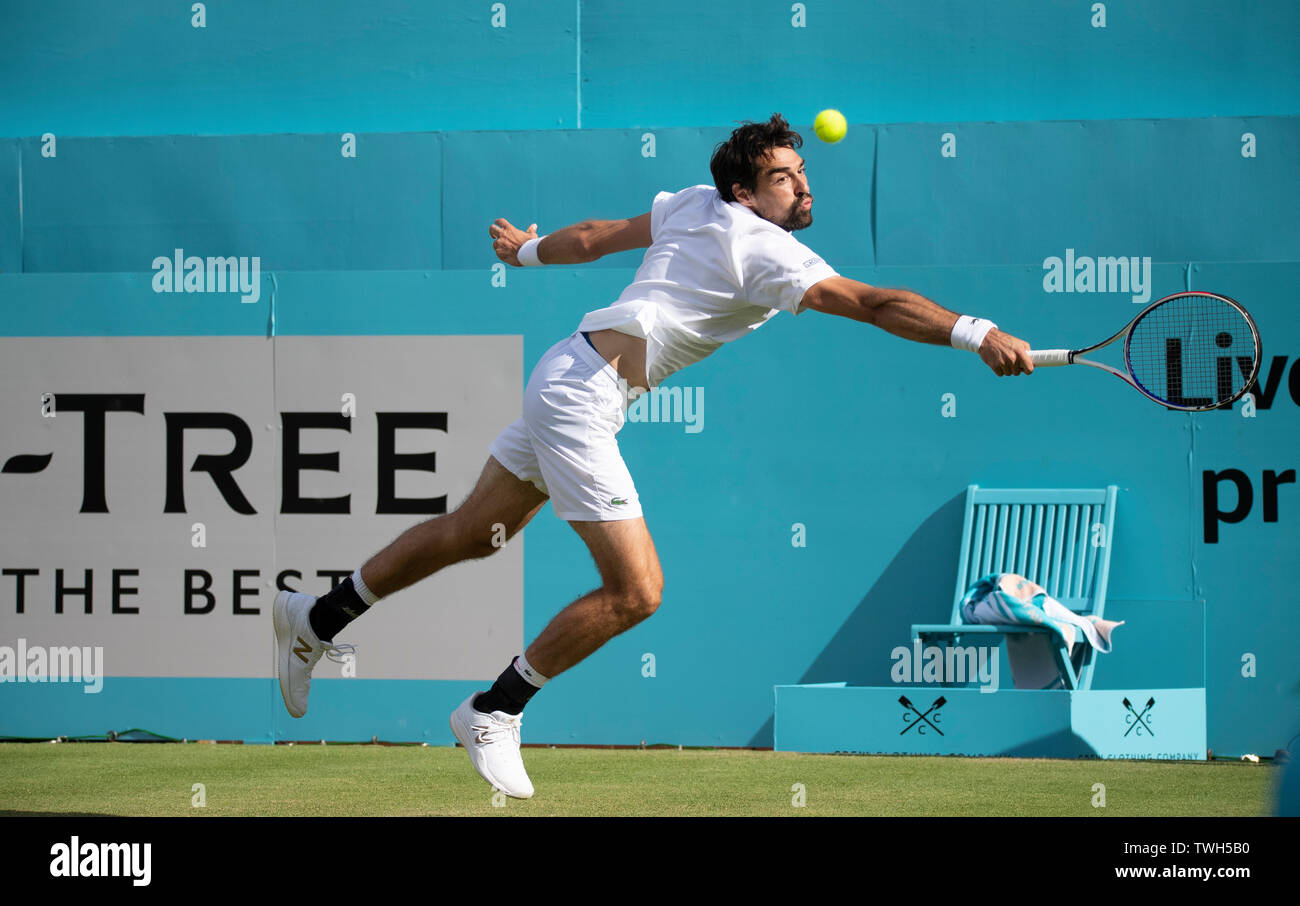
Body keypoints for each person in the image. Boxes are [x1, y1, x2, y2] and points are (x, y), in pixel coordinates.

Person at [272, 113, 1035, 799]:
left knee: (473, 531)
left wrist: (528, 252)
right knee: (637, 592)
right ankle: (493, 710)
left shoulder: (694, 205)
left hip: (567, 373)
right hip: (582, 396)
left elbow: (599, 235)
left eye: (802, 172)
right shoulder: (763, 249)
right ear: (743, 192)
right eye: (782, 178)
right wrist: (975, 333)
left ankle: (316, 616)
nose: (801, 186)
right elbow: (873, 303)